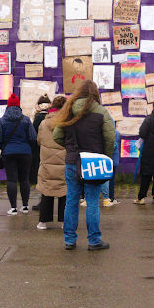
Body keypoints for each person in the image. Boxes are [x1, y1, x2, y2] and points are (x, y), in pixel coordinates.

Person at [53, 80, 115, 251]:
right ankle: (94, 240)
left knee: (71, 200)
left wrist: (70, 148)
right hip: (94, 163)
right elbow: (110, 139)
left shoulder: (68, 110)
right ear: (95, 94)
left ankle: (69, 240)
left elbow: (56, 136)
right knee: (93, 202)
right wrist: (105, 157)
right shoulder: (102, 112)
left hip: (72, 162)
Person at [0, 93, 37, 215]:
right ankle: (25, 206)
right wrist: (27, 147)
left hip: (8, 153)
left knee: (11, 180)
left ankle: (13, 208)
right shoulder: (26, 120)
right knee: (24, 179)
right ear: (18, 106)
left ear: (7, 107)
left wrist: (4, 147)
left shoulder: (2, 121)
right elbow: (33, 137)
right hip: (25, 153)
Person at [36, 95, 67, 229]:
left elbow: (39, 140)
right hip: (63, 161)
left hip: (47, 162)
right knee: (64, 192)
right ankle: (64, 221)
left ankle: (43, 221)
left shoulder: (43, 123)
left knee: (46, 190)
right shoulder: (67, 123)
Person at [30, 95, 52, 187]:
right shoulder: (51, 115)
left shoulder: (37, 116)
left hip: (39, 144)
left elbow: (33, 131)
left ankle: (36, 179)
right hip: (51, 144)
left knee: (37, 162)